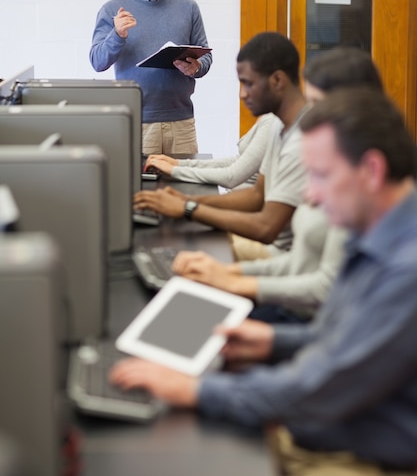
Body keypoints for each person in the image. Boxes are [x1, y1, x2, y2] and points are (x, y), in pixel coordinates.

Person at [110, 88, 417, 473]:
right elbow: (345, 338)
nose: (311, 195)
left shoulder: (405, 270)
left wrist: (198, 391)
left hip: (368, 458)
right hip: (330, 425)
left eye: (321, 175)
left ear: (371, 171)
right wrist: (272, 341)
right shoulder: (373, 232)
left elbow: (320, 386)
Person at [172, 47, 383, 324]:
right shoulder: (321, 156)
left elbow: (323, 289)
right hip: (294, 303)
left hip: (306, 318)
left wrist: (235, 283)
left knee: (196, 322)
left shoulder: (360, 182)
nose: (310, 116)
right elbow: (298, 262)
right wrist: (230, 275)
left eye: (317, 105)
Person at [134, 31, 309, 261]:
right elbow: (256, 196)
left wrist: (187, 208)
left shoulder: (302, 138)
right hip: (265, 244)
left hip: (277, 255)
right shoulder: (280, 126)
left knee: (172, 251)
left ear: (277, 80)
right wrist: (185, 201)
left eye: (248, 84)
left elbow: (266, 228)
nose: (242, 94)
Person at [89, 0, 212, 155]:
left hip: (182, 122)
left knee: (185, 187)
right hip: (138, 124)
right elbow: (97, 62)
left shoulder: (188, 7)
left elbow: (205, 55)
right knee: (139, 188)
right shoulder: (112, 10)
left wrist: (197, 67)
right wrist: (117, 35)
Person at [144, 113, 276, 190]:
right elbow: (239, 161)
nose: (243, 94)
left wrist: (174, 170)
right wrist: (178, 164)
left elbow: (231, 176)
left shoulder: (272, 122)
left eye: (250, 83)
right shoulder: (268, 117)